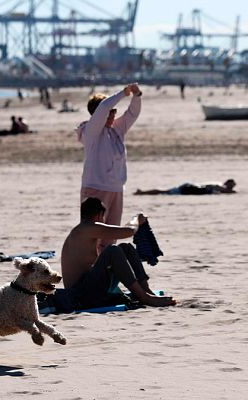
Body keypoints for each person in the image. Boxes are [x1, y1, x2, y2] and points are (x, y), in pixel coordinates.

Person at [60, 198, 176, 308]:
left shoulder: (81, 231)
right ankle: (144, 297)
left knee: (126, 248)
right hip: (78, 296)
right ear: (98, 216)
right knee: (112, 250)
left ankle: (146, 291)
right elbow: (129, 231)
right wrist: (137, 218)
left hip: (86, 289)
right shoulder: (86, 229)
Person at [77, 83, 142, 249]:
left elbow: (132, 113)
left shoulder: (116, 129)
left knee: (110, 238)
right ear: (99, 114)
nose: (113, 114)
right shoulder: (91, 131)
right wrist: (123, 93)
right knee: (93, 237)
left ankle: (107, 271)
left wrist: (137, 96)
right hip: (95, 189)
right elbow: (105, 106)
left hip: (116, 189)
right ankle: (89, 270)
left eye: (114, 111)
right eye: (110, 112)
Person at [135, 179, 236, 195]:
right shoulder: (219, 186)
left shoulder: (216, 185)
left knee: (163, 192)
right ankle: (142, 193)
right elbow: (226, 191)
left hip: (188, 187)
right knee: (162, 192)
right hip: (188, 189)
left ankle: (142, 192)